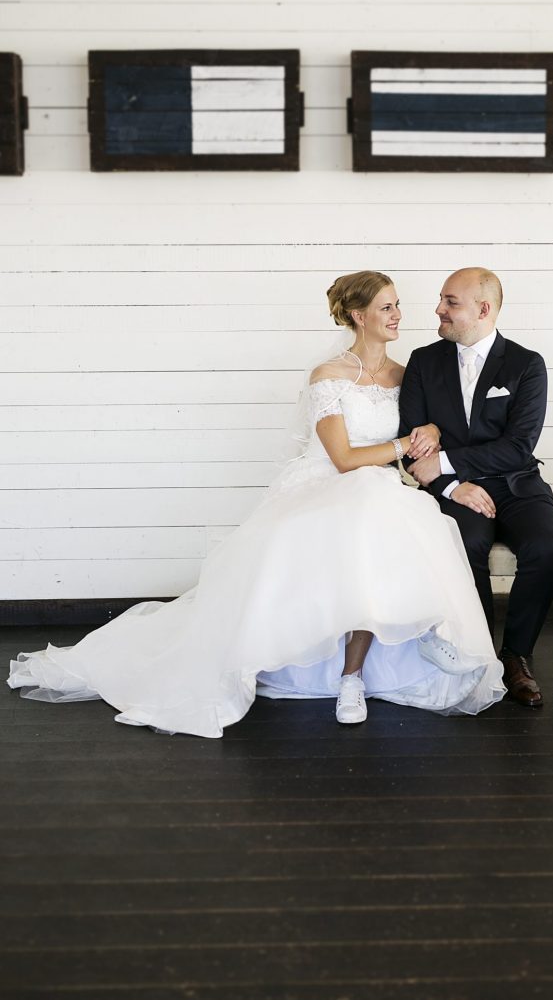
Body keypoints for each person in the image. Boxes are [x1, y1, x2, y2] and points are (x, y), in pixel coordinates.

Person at [8, 271, 505, 737]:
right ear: (359, 316)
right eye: (387, 307)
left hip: (377, 485)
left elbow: (424, 432)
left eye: (397, 306)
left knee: (403, 518)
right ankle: (343, 671)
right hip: (329, 481)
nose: (399, 315)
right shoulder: (328, 375)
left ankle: (396, 646)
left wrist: (429, 431)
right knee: (366, 512)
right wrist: (403, 444)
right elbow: (343, 458)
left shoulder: (407, 374)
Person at [400, 268, 553, 708]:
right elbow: (411, 440)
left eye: (450, 302)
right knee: (466, 541)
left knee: (546, 547)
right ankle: (478, 653)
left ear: (483, 309)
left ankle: (515, 656)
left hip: (517, 484)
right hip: (454, 489)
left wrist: (446, 461)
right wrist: (451, 485)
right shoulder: (423, 362)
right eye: (441, 299)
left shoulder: (526, 364)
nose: (438, 309)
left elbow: (518, 447)